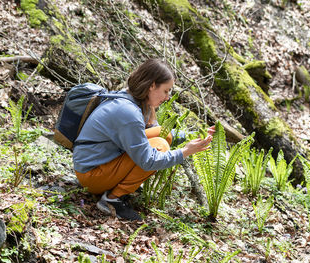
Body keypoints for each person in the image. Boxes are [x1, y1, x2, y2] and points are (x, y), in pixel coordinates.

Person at [73, 58, 215, 221]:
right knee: (160, 146)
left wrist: (195, 135)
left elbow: (155, 132)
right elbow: (148, 160)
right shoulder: (129, 112)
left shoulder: (133, 99)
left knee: (164, 134)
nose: (168, 97)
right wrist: (185, 151)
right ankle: (112, 200)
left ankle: (117, 188)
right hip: (91, 175)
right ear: (152, 85)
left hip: (98, 163)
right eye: (166, 91)